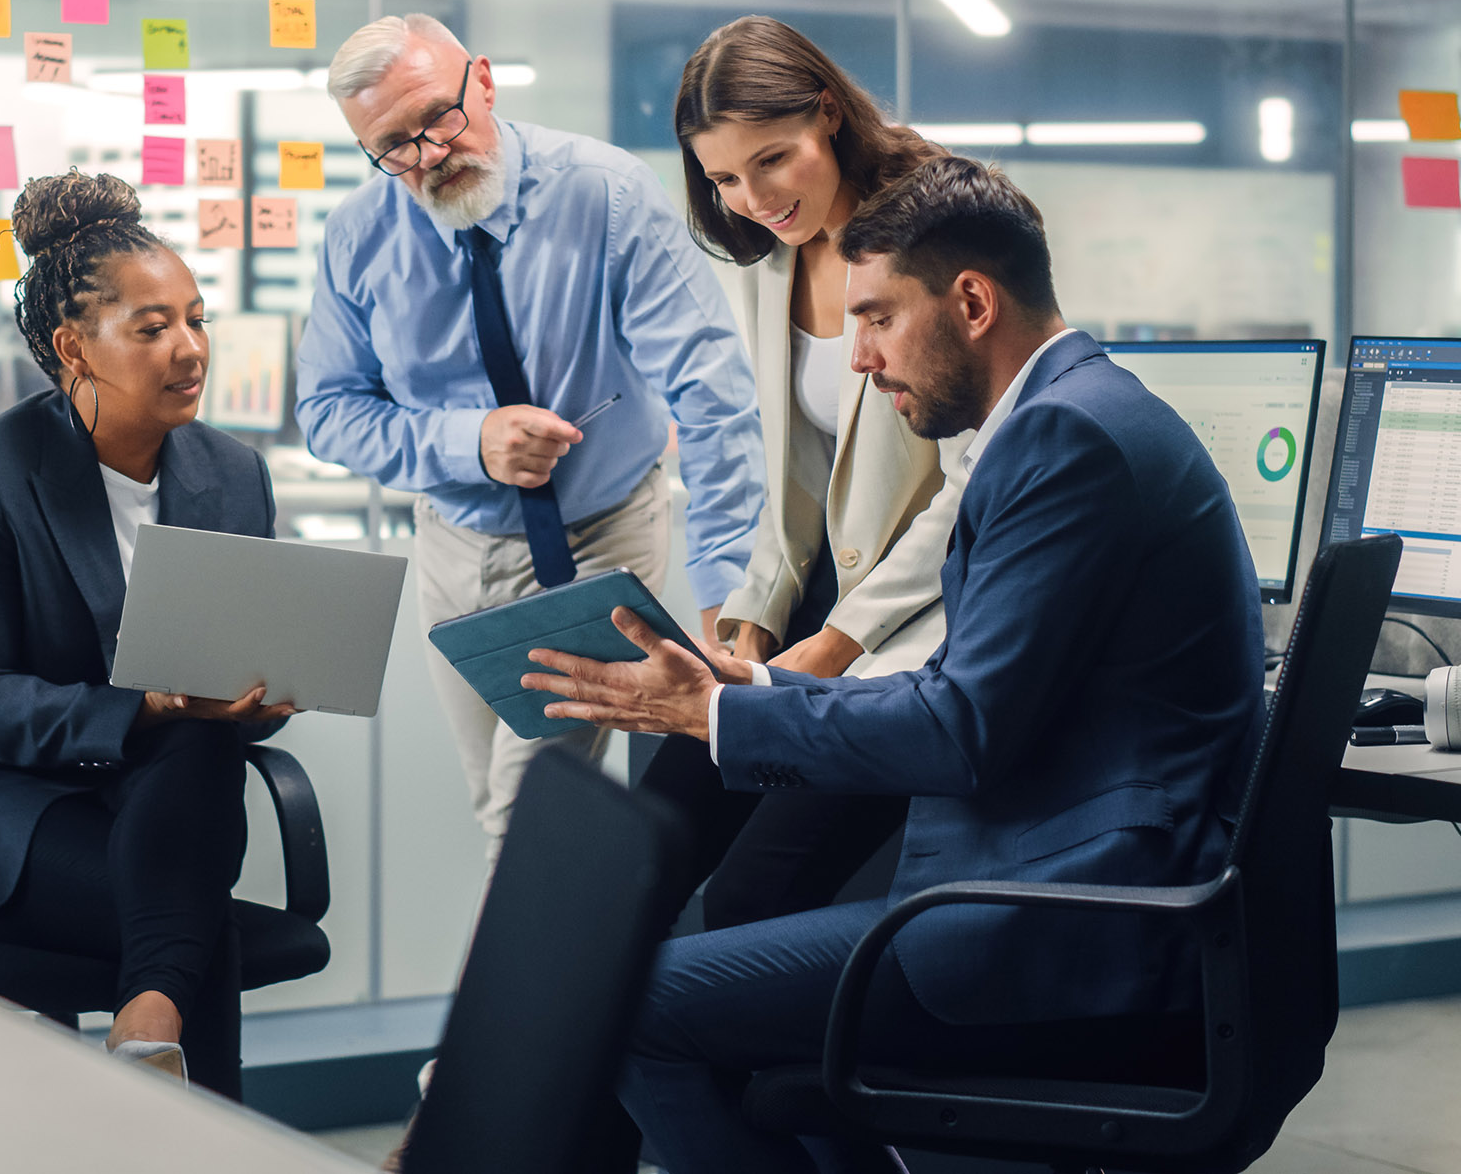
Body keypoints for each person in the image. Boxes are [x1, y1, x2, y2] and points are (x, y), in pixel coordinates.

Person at [522, 158, 1265, 1174]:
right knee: (729, 1006)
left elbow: (961, 728)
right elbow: (971, 691)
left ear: (969, 300)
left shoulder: (1064, 442)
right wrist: (755, 688)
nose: (859, 360)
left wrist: (717, 718)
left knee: (626, 1004)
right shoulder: (1066, 418)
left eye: (874, 318)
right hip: (1046, 884)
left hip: (1064, 924)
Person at [296, 12, 767, 859]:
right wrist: (467, 442)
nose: (430, 155)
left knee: (528, 819)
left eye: (439, 117)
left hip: (601, 535)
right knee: (503, 809)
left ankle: (516, 996)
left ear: (482, 78)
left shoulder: (606, 194)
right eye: (394, 147)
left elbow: (712, 393)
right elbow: (328, 410)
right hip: (453, 547)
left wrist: (732, 594)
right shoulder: (361, 237)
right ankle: (605, 986)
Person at [0, 170, 295, 1100]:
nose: (189, 350)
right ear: (73, 347)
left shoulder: (232, 475)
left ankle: (145, 1044)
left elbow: (229, 694)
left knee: (200, 736)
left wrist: (259, 692)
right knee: (195, 928)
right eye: (152, 329)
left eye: (197, 318)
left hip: (168, 799)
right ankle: (166, 1055)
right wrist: (148, 705)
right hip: (7, 809)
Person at [638, 15, 963, 932]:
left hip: (916, 624)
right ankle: (589, 1076)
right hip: (816, 602)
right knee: (647, 838)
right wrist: (752, 621)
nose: (753, 197)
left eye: (772, 160)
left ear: (828, 113)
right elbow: (797, 473)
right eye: (725, 178)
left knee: (753, 892)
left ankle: (757, 1071)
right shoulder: (777, 256)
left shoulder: (939, 229)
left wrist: (837, 644)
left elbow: (976, 489)